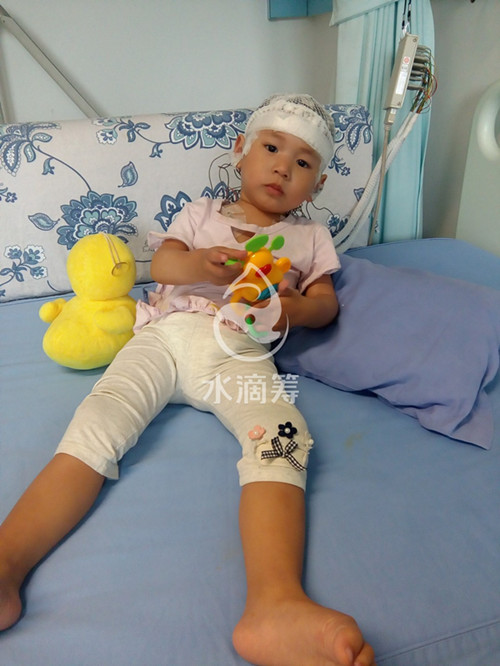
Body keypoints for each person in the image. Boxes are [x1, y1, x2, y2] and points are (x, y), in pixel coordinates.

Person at [0, 94, 375, 666]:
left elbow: (325, 305)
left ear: (317, 185)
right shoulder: (202, 214)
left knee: (284, 435)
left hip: (237, 351)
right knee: (98, 420)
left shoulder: (310, 238)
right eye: (271, 149)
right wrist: (201, 264)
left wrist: (289, 308)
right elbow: (163, 265)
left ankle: (275, 603)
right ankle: (7, 561)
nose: (282, 167)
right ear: (241, 151)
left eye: (302, 163)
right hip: (165, 336)